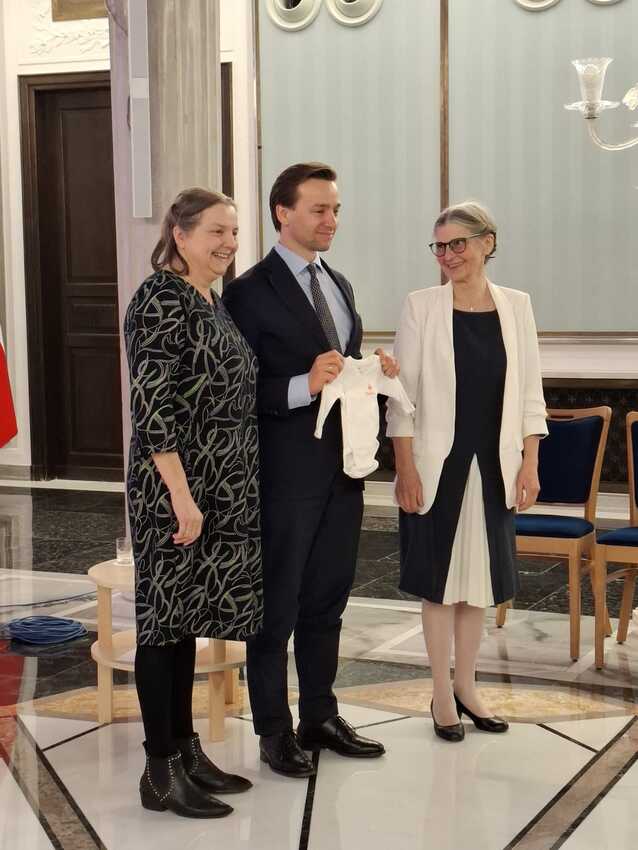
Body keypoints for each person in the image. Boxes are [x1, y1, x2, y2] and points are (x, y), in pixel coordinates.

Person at [223, 162, 396, 777]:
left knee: (328, 599)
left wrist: (373, 372)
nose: (332, 221)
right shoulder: (247, 292)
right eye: (320, 209)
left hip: (343, 471)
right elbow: (236, 392)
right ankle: (273, 730)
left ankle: (320, 715)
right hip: (283, 475)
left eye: (336, 210)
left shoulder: (339, 284)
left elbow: (342, 368)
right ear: (283, 212)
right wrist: (303, 383)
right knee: (276, 608)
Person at [387, 201, 547, 742]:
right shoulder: (421, 306)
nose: (448, 254)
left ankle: (467, 687)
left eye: (458, 243)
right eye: (440, 246)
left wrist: (531, 462)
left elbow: (530, 393)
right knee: (439, 584)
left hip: (497, 463)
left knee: (477, 584)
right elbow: (402, 399)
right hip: (437, 464)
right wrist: (404, 468)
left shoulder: (517, 306)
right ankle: (440, 693)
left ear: (487, 243)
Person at [124, 188, 263, 816]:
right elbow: (153, 411)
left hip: (215, 487)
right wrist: (181, 497)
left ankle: (184, 751)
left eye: (233, 231)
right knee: (162, 624)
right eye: (216, 231)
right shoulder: (160, 298)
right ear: (179, 235)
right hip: (173, 489)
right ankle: (159, 770)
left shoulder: (211, 297)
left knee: (183, 623)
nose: (229, 243)